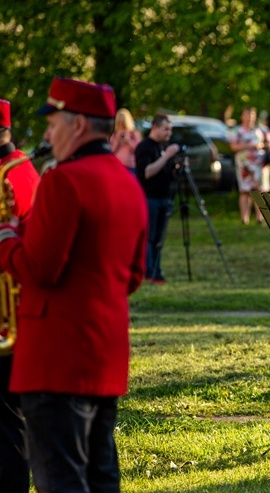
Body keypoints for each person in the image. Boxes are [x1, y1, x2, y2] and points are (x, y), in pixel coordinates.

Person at [0, 77, 148, 492]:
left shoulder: (64, 181)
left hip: (56, 360)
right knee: (100, 476)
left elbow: (40, 269)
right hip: (105, 354)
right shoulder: (127, 182)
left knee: (61, 479)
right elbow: (133, 277)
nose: (47, 133)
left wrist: (7, 238)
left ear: (78, 125)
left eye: (54, 122)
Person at [0, 99, 41, 493]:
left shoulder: (11, 175)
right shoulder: (22, 170)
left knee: (8, 424)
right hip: (13, 315)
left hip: (11, 318)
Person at [135, 114, 182, 284]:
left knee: (159, 238)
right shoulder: (145, 147)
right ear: (155, 127)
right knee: (150, 236)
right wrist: (166, 156)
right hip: (150, 198)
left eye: (170, 129)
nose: (169, 133)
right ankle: (149, 271)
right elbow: (147, 172)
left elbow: (169, 173)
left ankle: (157, 270)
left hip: (165, 197)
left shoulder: (165, 146)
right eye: (166, 129)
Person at [229, 107, 270, 224]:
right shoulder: (237, 130)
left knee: (259, 190)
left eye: (251, 115)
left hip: (260, 164)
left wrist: (263, 145)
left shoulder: (262, 129)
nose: (249, 117)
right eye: (246, 115)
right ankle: (245, 219)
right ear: (242, 116)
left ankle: (260, 218)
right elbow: (233, 147)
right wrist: (249, 146)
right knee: (245, 191)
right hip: (244, 164)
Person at [109, 107, 142, 175]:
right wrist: (117, 141)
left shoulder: (133, 133)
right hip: (117, 164)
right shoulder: (115, 134)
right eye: (119, 122)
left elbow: (139, 149)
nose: (121, 124)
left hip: (130, 165)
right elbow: (111, 150)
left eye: (123, 122)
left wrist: (128, 141)